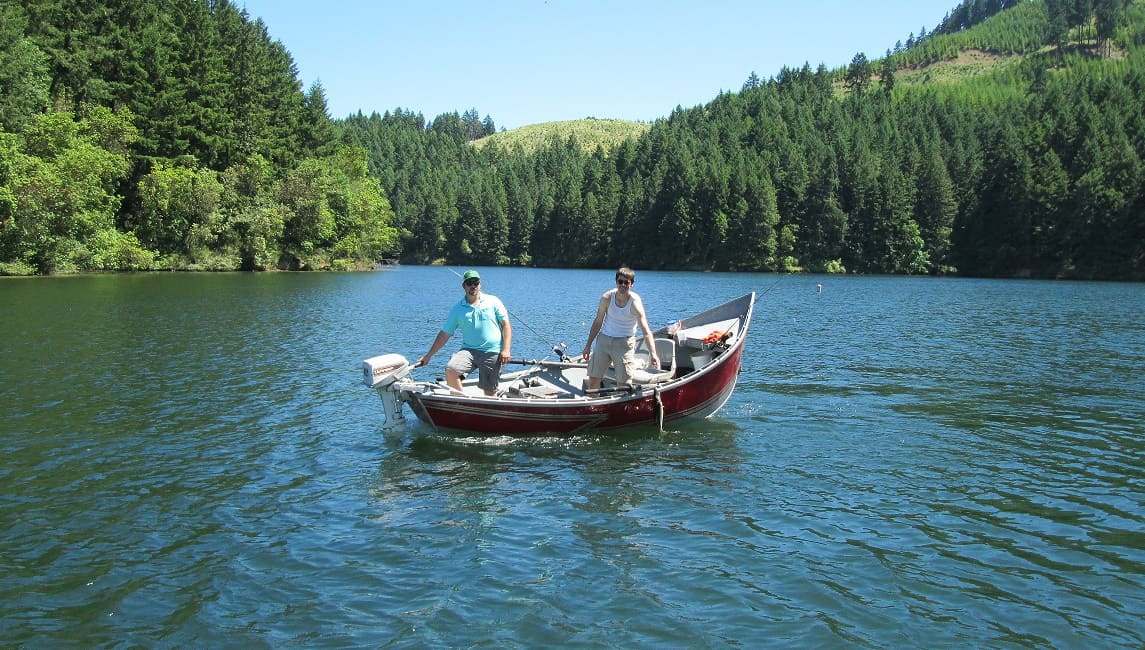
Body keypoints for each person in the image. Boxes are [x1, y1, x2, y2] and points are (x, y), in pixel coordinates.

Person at [415, 270, 512, 396]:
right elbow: (445, 334)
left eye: (475, 283)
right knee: (451, 370)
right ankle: (460, 402)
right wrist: (428, 355)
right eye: (469, 283)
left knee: (489, 392)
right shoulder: (457, 309)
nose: (473, 286)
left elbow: (506, 325)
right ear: (464, 286)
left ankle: (486, 409)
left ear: (480, 284)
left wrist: (506, 349)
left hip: (492, 351)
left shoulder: (493, 301)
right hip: (469, 350)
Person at [581, 266, 659, 391]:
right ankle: (593, 405)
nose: (623, 285)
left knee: (623, 386)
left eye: (626, 282)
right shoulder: (606, 298)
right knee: (593, 379)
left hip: (624, 343)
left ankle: (621, 407)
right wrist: (588, 345)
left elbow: (645, 331)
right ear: (616, 282)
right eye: (620, 282)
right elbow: (598, 321)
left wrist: (653, 354)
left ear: (631, 284)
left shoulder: (635, 303)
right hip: (604, 340)